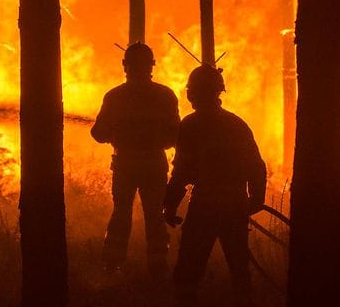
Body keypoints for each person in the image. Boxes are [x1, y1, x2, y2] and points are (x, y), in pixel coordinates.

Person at [163, 65, 267, 306]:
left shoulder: (190, 125)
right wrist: (255, 200)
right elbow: (256, 165)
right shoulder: (237, 124)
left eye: (192, 91)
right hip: (235, 204)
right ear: (219, 91)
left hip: (205, 204)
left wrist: (170, 204)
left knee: (188, 270)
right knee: (239, 268)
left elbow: (182, 171)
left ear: (194, 93)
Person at [91, 42, 180, 277]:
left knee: (121, 213)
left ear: (125, 65)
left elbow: (98, 133)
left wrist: (116, 134)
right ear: (152, 66)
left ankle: (112, 264)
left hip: (125, 165)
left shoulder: (114, 96)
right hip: (154, 164)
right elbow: (174, 135)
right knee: (155, 214)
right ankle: (157, 265)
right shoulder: (165, 95)